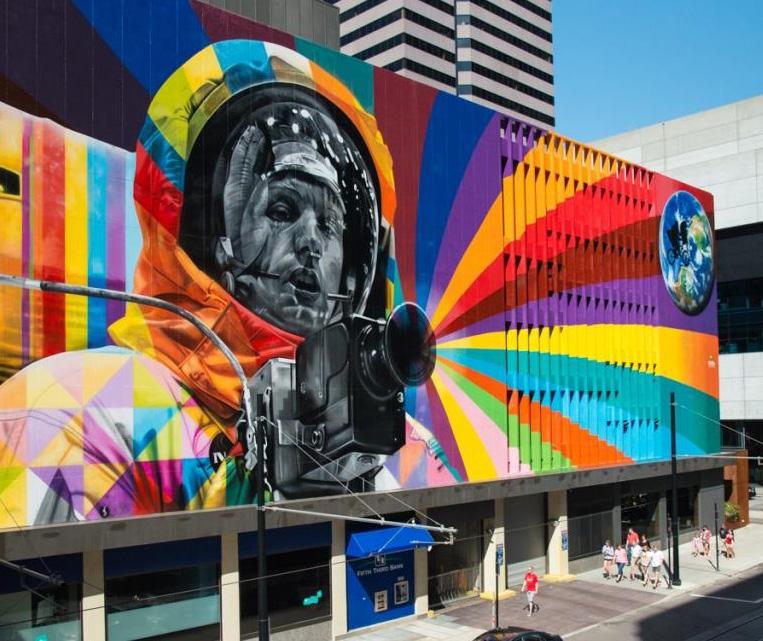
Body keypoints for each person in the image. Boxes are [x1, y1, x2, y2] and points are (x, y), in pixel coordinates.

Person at [0, 41, 398, 525]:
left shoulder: (382, 437)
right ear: (210, 233)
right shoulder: (80, 411)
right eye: (282, 209)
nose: (311, 242)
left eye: (331, 226)